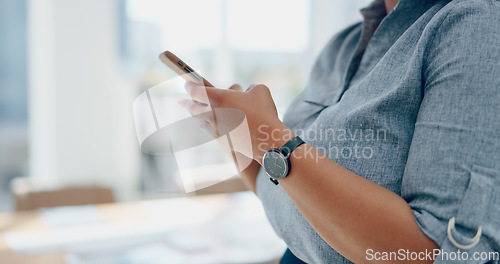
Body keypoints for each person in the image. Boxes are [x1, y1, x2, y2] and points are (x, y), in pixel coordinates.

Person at [180, 0, 500, 262]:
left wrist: (268, 139)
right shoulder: (342, 46)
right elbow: (287, 189)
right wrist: (240, 138)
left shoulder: (474, 26)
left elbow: (442, 254)